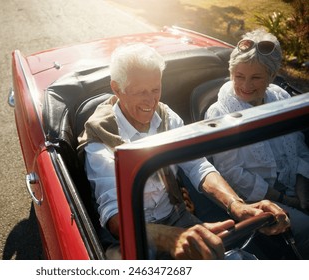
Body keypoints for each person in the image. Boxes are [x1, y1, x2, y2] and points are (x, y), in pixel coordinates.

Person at [77, 42, 290, 260]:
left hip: (177, 217)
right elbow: (115, 216)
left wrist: (236, 205)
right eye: (141, 92)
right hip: (127, 238)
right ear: (116, 88)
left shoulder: (168, 117)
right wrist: (174, 238)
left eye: (155, 89)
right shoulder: (100, 136)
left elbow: (198, 165)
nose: (151, 101)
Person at [205, 28, 309, 258]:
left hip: (297, 187)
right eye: (239, 76)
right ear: (230, 73)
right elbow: (232, 173)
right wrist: (286, 199)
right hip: (261, 202)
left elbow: (299, 145)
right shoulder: (219, 112)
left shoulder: (280, 97)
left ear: (271, 77)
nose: (245, 85)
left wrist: (302, 190)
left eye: (256, 77)